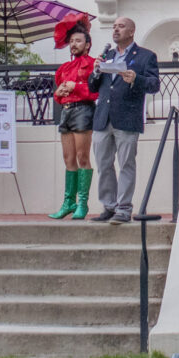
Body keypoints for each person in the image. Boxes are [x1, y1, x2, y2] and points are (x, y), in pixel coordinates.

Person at [87, 17, 160, 224]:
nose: (115, 30)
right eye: (114, 27)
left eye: (120, 26)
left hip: (127, 117)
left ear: (131, 31)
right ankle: (109, 206)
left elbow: (154, 85)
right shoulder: (106, 56)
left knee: (126, 164)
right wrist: (95, 70)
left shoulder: (146, 56)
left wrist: (136, 79)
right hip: (103, 117)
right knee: (103, 164)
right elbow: (93, 88)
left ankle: (124, 209)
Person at [48, 13, 98, 220]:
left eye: (78, 41)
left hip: (84, 110)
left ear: (88, 44)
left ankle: (83, 203)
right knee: (68, 158)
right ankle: (69, 201)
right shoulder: (64, 69)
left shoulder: (94, 64)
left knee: (82, 157)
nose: (73, 44)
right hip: (66, 112)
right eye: (71, 41)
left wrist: (75, 86)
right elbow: (59, 94)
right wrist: (58, 94)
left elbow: (95, 91)